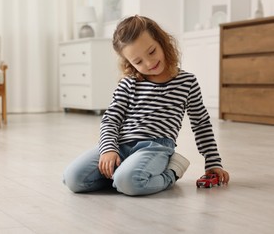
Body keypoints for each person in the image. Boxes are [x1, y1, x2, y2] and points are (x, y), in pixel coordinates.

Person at [63, 15, 230, 196]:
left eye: (151, 52)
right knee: (73, 178)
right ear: (129, 62)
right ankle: (121, 177)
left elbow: (201, 124)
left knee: (129, 182)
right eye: (138, 61)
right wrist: (109, 149)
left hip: (155, 146)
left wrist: (213, 162)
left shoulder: (187, 82)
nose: (149, 63)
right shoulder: (128, 83)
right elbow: (110, 120)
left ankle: (171, 171)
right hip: (120, 144)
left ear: (162, 42)